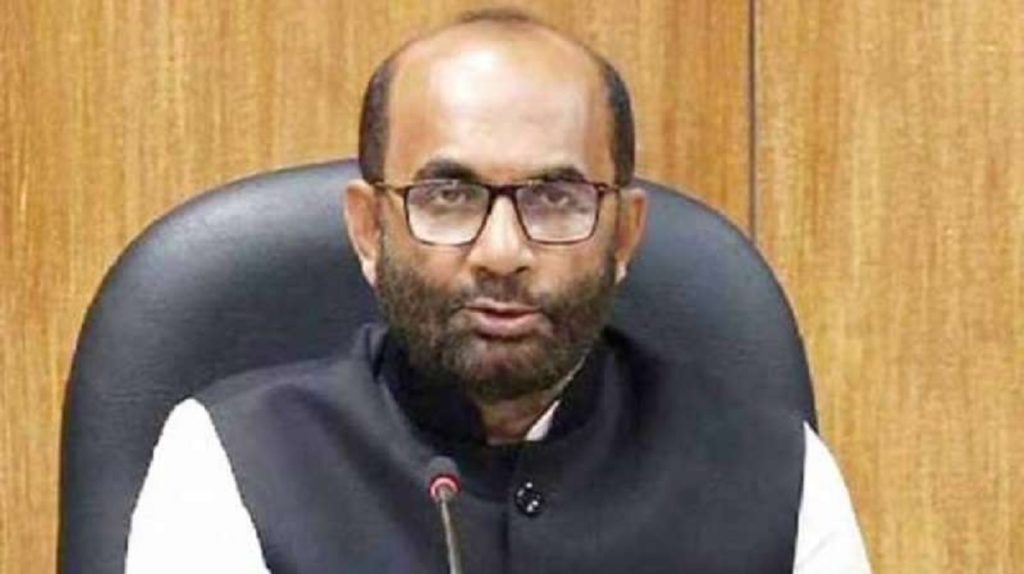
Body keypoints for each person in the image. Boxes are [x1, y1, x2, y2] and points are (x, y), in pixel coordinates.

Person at [126, 9, 870, 573]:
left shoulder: (777, 475)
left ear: (624, 235)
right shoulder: (232, 460)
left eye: (556, 199)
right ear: (368, 230)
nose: (503, 253)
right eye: (449, 197)